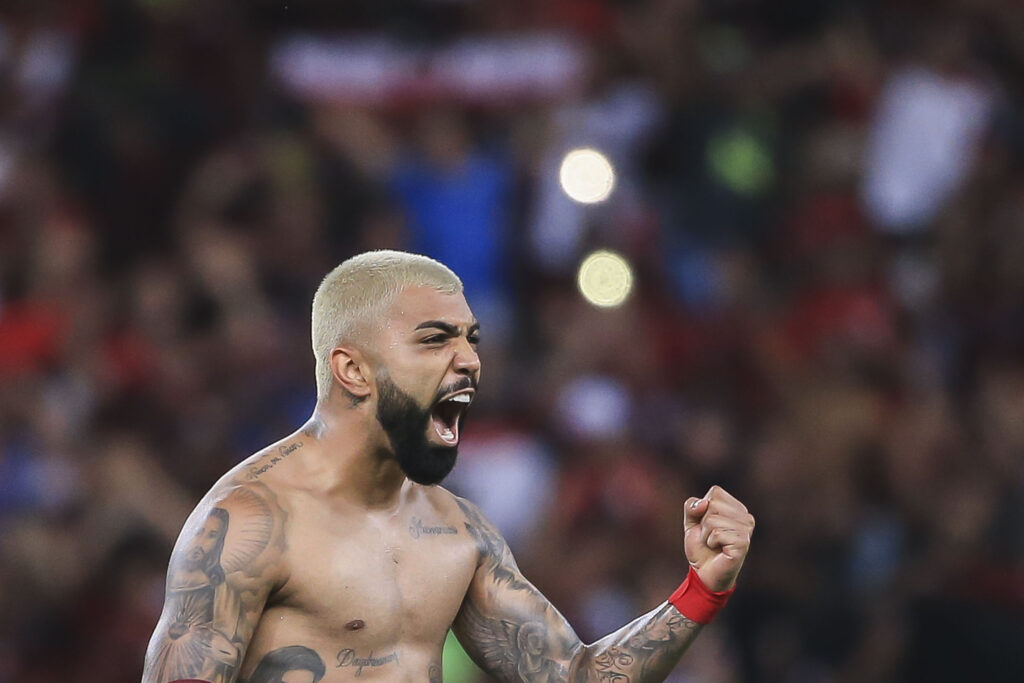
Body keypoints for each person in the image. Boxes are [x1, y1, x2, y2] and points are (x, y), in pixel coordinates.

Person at [142, 250, 755, 683]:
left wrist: (702, 588)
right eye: (436, 339)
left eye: (471, 339)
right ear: (353, 369)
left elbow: (576, 676)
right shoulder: (248, 522)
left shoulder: (458, 532)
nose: (470, 361)